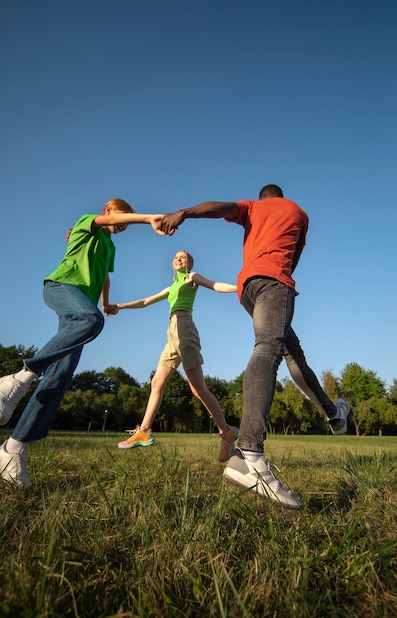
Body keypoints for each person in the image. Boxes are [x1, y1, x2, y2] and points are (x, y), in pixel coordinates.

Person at [158, 185, 350, 510]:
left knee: (291, 352)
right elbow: (293, 259)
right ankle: (250, 454)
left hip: (248, 287)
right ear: (281, 196)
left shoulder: (251, 208)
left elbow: (220, 207)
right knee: (268, 348)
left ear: (262, 198)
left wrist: (185, 212)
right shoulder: (298, 213)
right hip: (275, 283)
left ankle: (334, 415)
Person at [0, 198, 166, 487]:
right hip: (62, 288)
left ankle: (13, 448)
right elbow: (107, 223)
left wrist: (106, 303)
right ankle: (19, 378)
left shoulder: (110, 246)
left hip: (82, 308)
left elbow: (103, 278)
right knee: (90, 322)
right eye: (123, 217)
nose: (124, 225)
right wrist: (150, 217)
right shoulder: (88, 222)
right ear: (108, 211)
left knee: (61, 374)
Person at [116, 250, 239, 462]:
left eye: (183, 257)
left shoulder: (192, 277)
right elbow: (146, 301)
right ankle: (144, 430)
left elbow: (215, 285)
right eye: (175, 257)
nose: (178, 259)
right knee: (157, 382)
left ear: (189, 263)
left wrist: (240, 287)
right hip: (172, 332)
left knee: (197, 388)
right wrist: (118, 306)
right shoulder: (172, 286)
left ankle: (226, 431)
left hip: (185, 328)